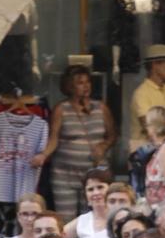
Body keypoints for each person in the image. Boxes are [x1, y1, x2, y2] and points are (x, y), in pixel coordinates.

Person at [40, 65, 116, 220]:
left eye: (87, 82)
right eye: (80, 83)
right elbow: (53, 138)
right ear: (69, 86)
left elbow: (112, 135)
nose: (86, 86)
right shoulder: (61, 109)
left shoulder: (101, 108)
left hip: (94, 174)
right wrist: (43, 155)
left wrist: (104, 146)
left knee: (93, 216)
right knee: (67, 221)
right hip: (65, 175)